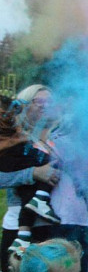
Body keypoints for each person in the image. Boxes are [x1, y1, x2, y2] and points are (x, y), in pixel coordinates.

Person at [0, 96, 61, 253]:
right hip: (16, 224)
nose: (45, 105)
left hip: (56, 226)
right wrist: (33, 173)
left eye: (49, 100)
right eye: (38, 101)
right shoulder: (12, 137)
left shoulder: (60, 134)